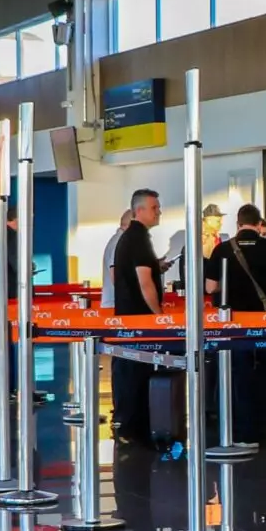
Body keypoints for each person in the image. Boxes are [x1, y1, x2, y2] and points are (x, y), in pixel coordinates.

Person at [110, 188, 165, 442]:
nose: (159, 211)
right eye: (154, 208)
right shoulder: (138, 238)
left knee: (129, 371)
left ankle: (128, 425)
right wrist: (158, 315)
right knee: (135, 374)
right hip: (139, 320)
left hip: (128, 319)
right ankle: (134, 429)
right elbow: (145, 283)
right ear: (139, 210)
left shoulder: (129, 238)